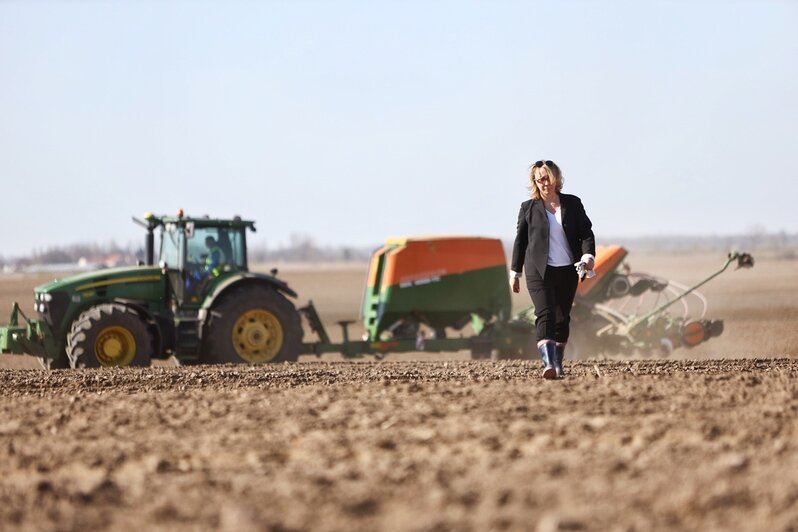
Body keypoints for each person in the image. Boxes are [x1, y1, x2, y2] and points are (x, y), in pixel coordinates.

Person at [510, 160, 595, 379]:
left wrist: (587, 256)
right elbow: (520, 241)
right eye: (539, 179)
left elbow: (586, 233)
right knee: (545, 314)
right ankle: (548, 364)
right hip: (538, 271)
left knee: (561, 317)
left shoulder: (573, 204)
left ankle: (557, 363)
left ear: (556, 178)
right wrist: (515, 272)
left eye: (547, 178)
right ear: (534, 182)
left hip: (568, 269)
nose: (543, 183)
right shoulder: (528, 208)